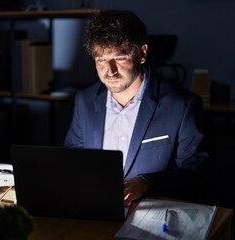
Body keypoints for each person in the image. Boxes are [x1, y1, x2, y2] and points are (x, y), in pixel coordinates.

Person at [64, 10, 208, 206]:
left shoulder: (182, 105)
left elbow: (196, 176)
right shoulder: (85, 100)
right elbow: (73, 157)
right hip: (96, 211)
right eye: (101, 60)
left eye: (120, 58)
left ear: (142, 53)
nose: (110, 71)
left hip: (152, 215)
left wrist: (148, 183)